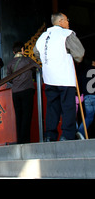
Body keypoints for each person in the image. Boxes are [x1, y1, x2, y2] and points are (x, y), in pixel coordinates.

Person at [33, 12, 85, 141]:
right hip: (64, 76)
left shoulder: (42, 37)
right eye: (67, 20)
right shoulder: (66, 34)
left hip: (49, 77)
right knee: (68, 106)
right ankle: (67, 135)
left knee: (52, 107)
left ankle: (50, 135)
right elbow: (79, 54)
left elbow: (36, 53)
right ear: (61, 21)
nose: (68, 23)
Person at [7, 42, 36, 144]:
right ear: (23, 50)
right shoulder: (28, 60)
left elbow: (9, 79)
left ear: (13, 52)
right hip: (27, 90)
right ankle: (25, 140)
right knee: (26, 115)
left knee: (18, 116)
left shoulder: (10, 63)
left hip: (15, 92)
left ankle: (19, 139)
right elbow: (36, 68)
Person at [77, 58, 95, 139]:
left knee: (89, 117)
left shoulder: (84, 72)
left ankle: (80, 132)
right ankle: (80, 132)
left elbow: (80, 84)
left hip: (88, 97)